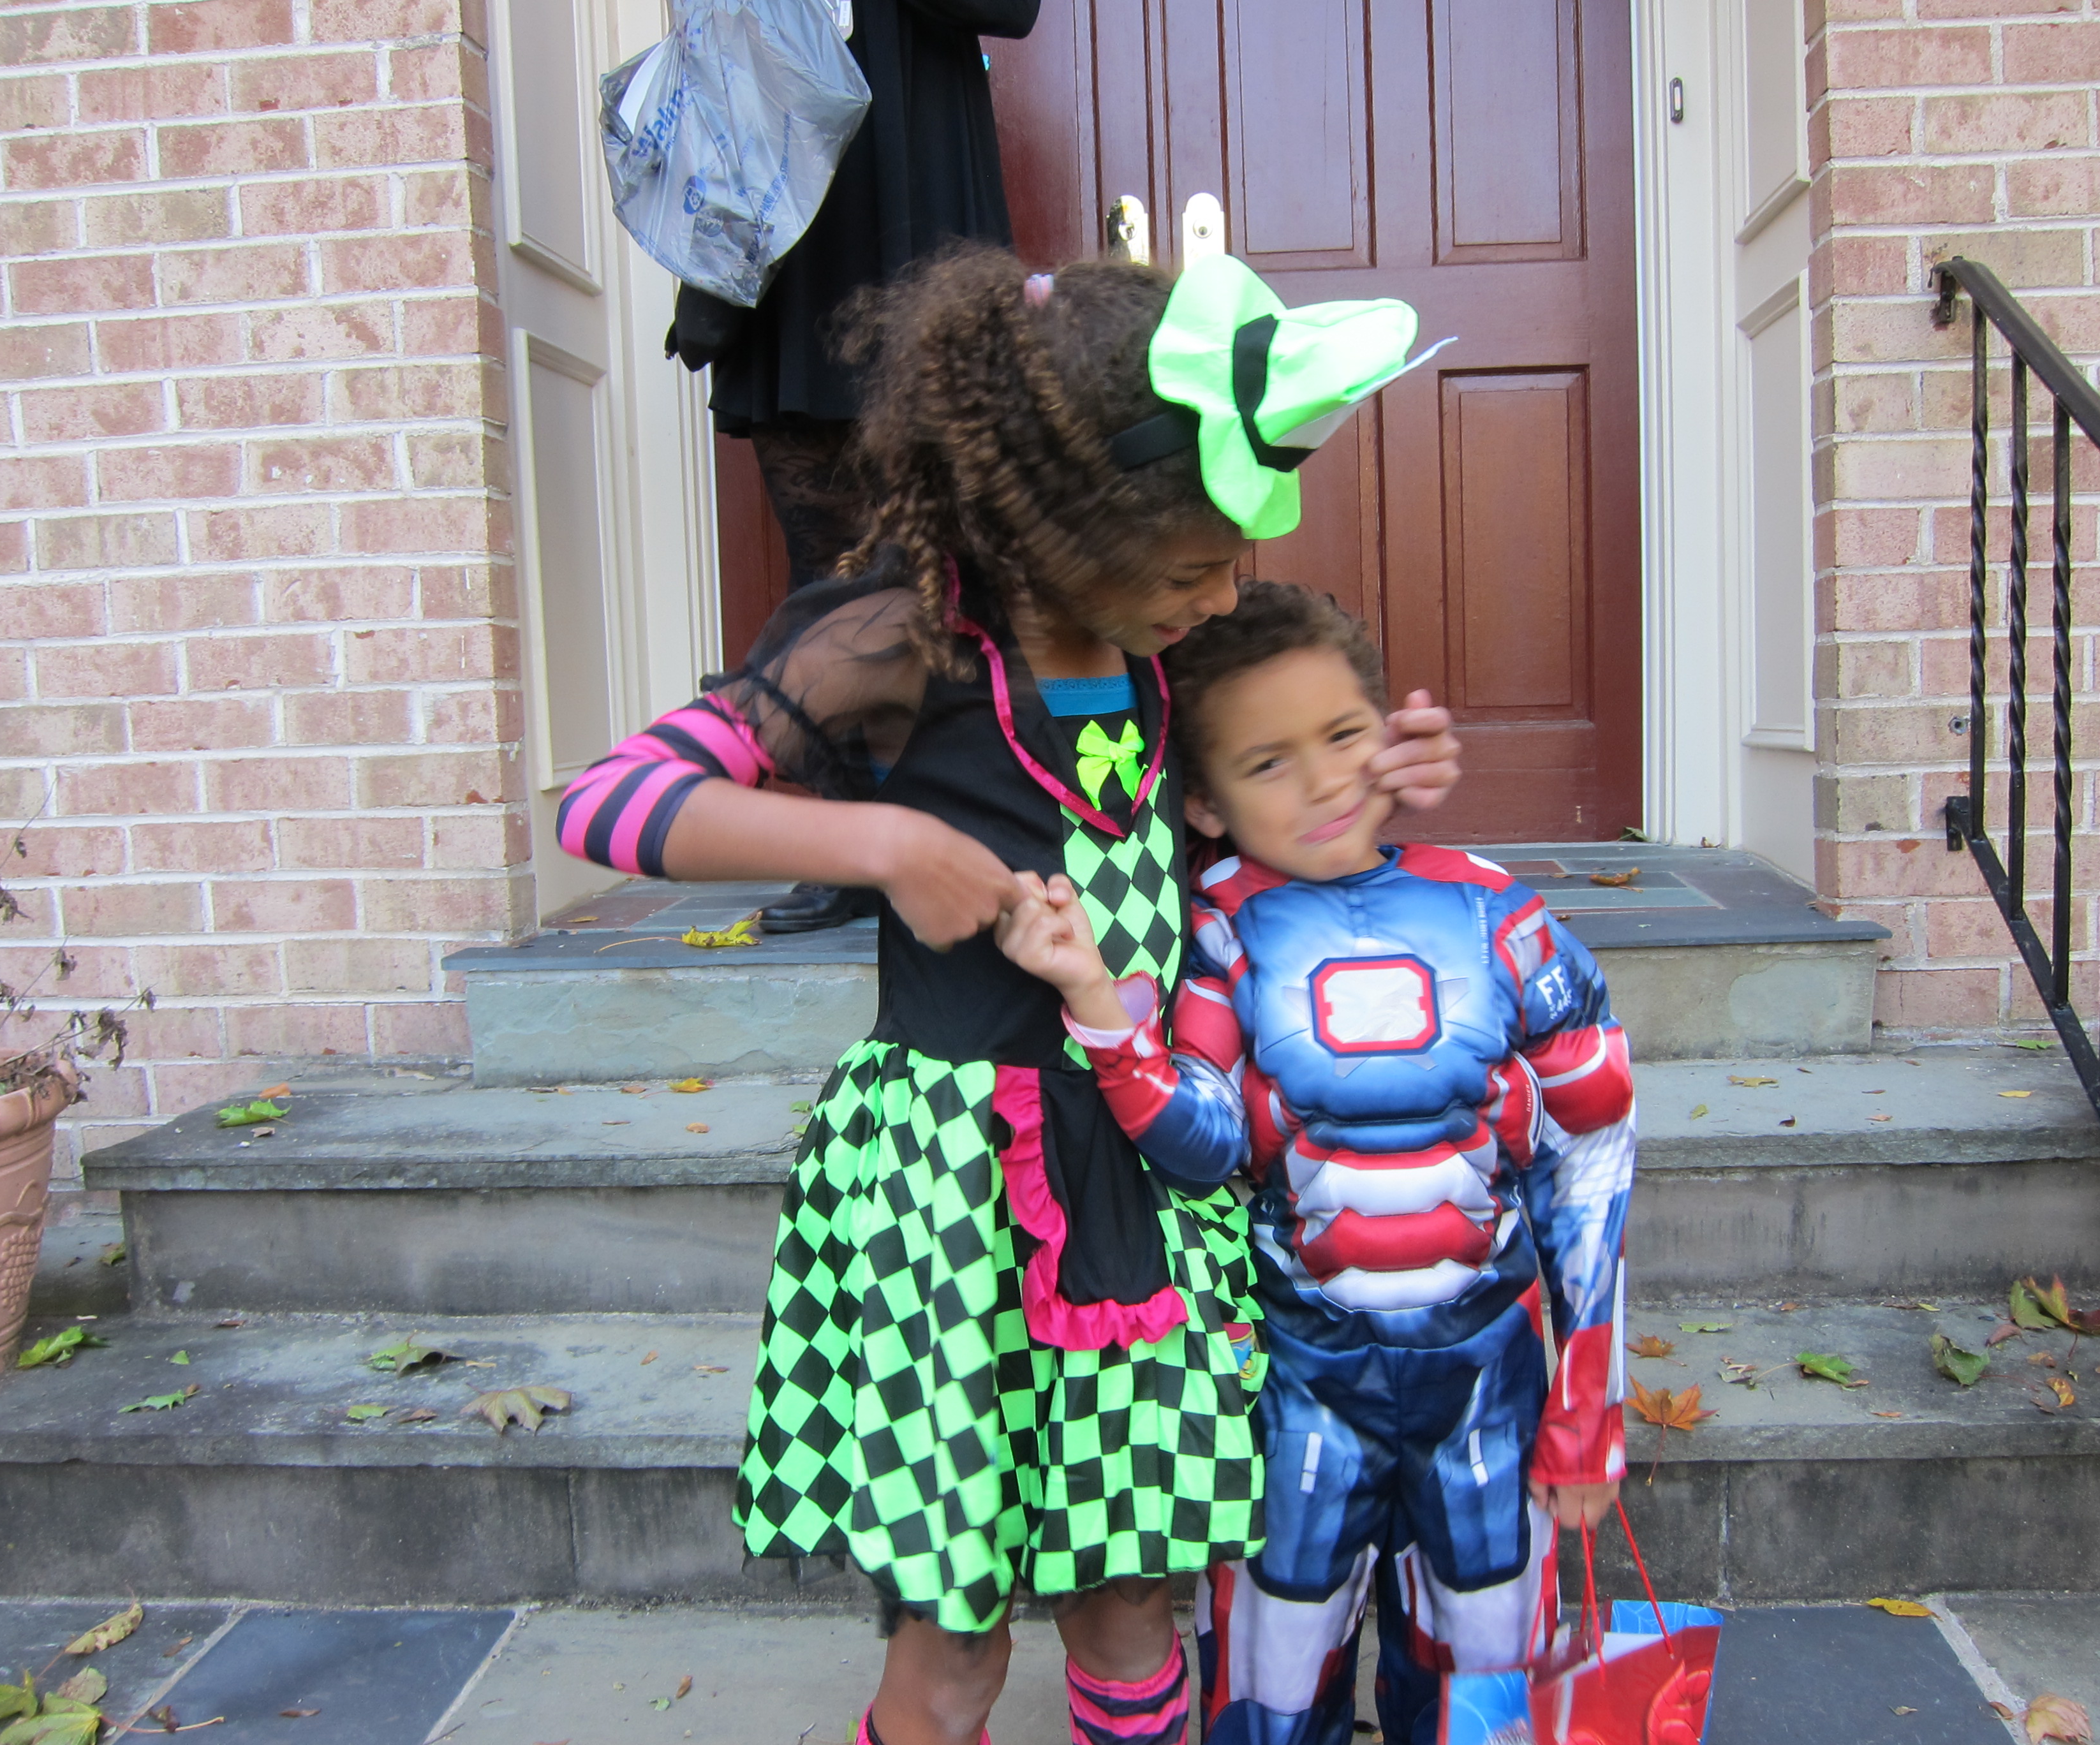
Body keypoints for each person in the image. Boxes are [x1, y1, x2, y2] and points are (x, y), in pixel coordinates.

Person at [559, 247, 1461, 1745]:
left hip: (1147, 1173)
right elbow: (607, 803)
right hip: (961, 1202)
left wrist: (1371, 785)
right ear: (1064, 526)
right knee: (957, 1636)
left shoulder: (1171, 653)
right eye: (1189, 568)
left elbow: (1264, 799)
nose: (1222, 593)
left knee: (1132, 1600)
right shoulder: (898, 643)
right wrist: (881, 844)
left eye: (1232, 561)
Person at [994, 580, 1636, 1745]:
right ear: (1204, 799)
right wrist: (1097, 1002)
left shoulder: (1504, 919)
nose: (1326, 782)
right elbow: (1204, 1145)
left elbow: (1588, 1158)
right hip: (1297, 1381)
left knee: (1488, 1685)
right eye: (1268, 762)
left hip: (1486, 1382)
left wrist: (1588, 1407)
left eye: (1345, 735)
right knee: (1273, 1687)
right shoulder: (1218, 936)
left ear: (1391, 735)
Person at [670, 0, 1040, 936]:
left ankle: (977, 824)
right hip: (784, 201)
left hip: (916, 180)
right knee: (827, 573)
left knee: (959, 561)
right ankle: (852, 844)